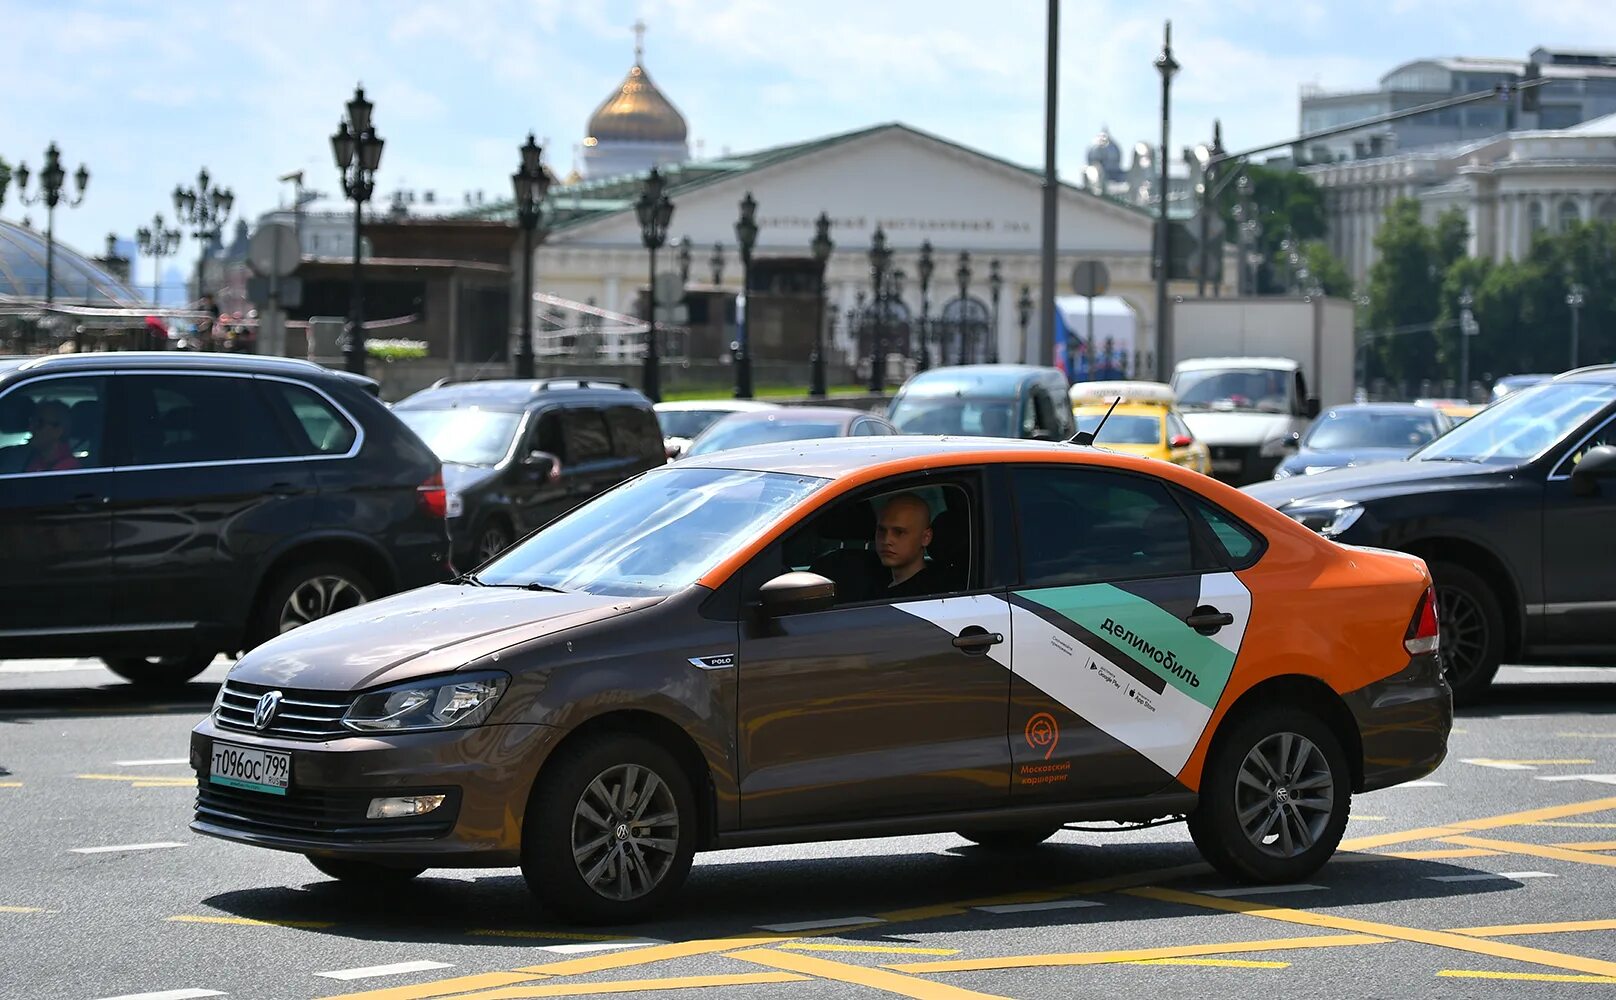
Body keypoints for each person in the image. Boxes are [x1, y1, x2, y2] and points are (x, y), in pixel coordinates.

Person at [875, 493, 943, 599]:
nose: (886, 540)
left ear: (926, 537)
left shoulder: (929, 596)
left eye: (899, 532)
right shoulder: (873, 583)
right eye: (881, 530)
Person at [0, 399, 81, 473]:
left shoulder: (67, 469)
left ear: (58, 431)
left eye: (39, 423)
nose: (30, 428)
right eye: (31, 421)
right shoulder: (22, 457)